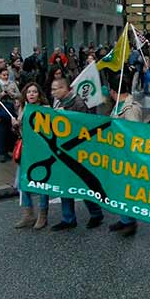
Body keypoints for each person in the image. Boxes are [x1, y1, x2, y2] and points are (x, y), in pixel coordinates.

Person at [49, 77, 106, 231]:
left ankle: (96, 214)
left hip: (77, 152)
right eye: (52, 89)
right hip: (63, 150)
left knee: (82, 184)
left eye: (56, 89)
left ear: (65, 89)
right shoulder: (59, 103)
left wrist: (65, 115)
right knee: (64, 184)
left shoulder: (78, 104)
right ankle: (68, 218)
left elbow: (82, 126)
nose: (53, 92)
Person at [107, 74, 147, 236]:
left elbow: (134, 133)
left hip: (127, 155)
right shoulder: (118, 105)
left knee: (127, 188)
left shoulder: (131, 108)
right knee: (119, 188)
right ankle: (124, 219)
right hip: (117, 153)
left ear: (113, 90)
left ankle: (130, 222)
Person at [12, 82, 50, 229]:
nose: (31, 94)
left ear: (39, 94)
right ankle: (28, 215)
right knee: (23, 183)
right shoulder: (22, 109)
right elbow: (20, 133)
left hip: (40, 152)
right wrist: (15, 125)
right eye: (29, 92)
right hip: (26, 151)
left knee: (41, 183)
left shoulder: (46, 110)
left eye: (34, 92)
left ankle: (42, 215)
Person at [0, 68, 20, 162]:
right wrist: (0, 95)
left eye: (7, 75)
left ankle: (9, 150)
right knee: (0, 132)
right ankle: (2, 153)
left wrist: (12, 94)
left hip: (11, 109)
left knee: (10, 131)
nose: (6, 77)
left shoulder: (12, 83)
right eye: (3, 75)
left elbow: (19, 94)